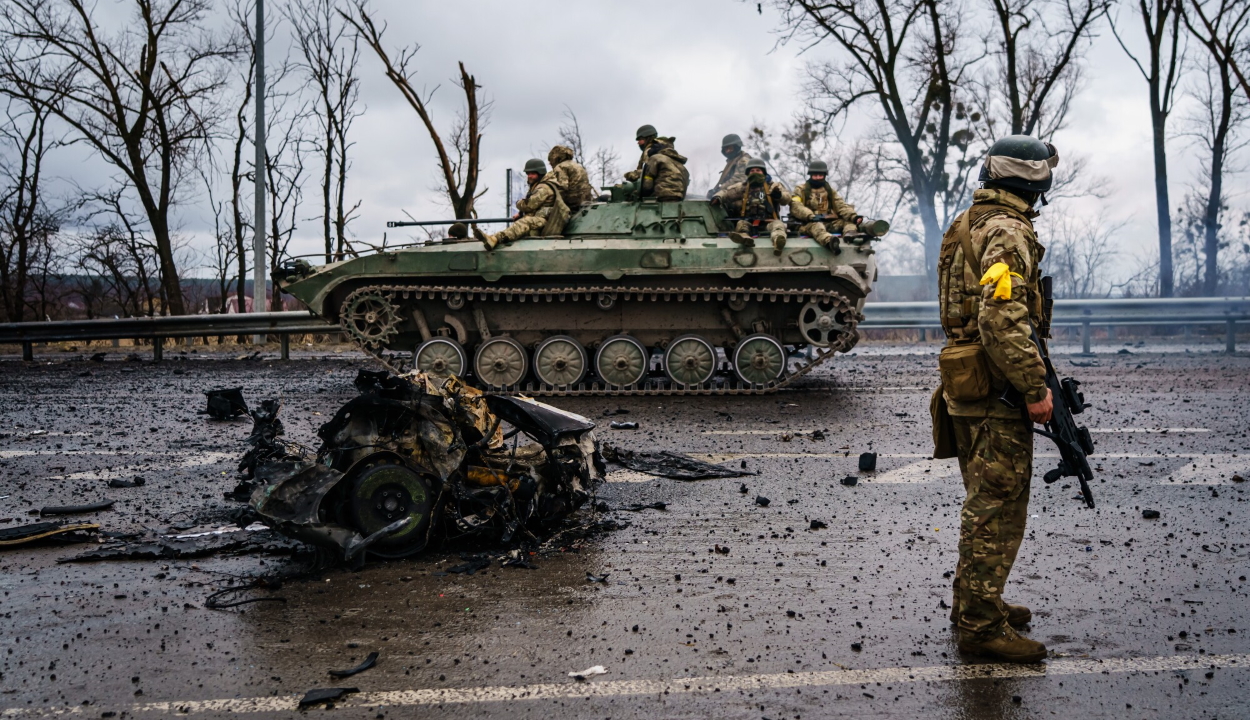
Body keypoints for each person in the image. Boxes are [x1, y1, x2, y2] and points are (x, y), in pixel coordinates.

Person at [936, 134, 1059, 664]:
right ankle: (981, 627)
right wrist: (1035, 388)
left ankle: (977, 603)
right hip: (997, 388)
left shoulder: (968, 221)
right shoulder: (1008, 231)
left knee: (984, 499)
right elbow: (1000, 317)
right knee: (997, 505)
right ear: (1032, 181)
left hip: (969, 381)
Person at [473, 158, 568, 250]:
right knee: (524, 221)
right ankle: (493, 238)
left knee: (525, 222)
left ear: (540, 173)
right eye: (528, 173)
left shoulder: (544, 188)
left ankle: (495, 239)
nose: (529, 176)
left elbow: (529, 205)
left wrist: (519, 203)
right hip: (540, 219)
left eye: (533, 173)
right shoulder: (538, 185)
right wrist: (521, 213)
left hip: (546, 221)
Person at [711, 158, 788, 255]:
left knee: (778, 226)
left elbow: (787, 198)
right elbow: (727, 192)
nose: (755, 173)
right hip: (749, 221)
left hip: (769, 222)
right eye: (752, 171)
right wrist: (718, 197)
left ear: (763, 172)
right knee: (741, 225)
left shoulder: (773, 186)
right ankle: (745, 239)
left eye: (758, 170)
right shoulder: (743, 187)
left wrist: (779, 195)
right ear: (748, 173)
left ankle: (778, 241)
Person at [788, 160, 862, 252]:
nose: (818, 178)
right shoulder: (800, 190)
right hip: (806, 224)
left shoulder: (830, 191)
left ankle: (849, 236)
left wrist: (854, 217)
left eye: (820, 175)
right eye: (815, 175)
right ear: (811, 175)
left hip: (827, 222)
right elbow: (796, 206)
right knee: (817, 226)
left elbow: (841, 205)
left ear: (824, 176)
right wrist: (810, 216)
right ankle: (830, 242)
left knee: (849, 222)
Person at [547, 145, 596, 211]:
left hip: (572, 202)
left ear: (554, 158)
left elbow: (562, 187)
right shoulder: (576, 165)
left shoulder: (560, 167)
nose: (550, 163)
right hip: (586, 199)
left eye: (550, 160)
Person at [706, 133, 752, 199]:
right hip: (733, 193)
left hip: (742, 196)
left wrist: (719, 190)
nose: (728, 151)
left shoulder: (743, 160)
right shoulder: (733, 160)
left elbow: (739, 179)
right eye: (725, 149)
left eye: (730, 148)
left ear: (737, 147)